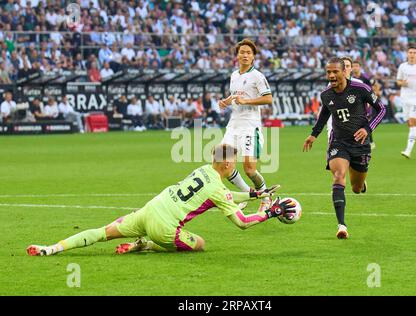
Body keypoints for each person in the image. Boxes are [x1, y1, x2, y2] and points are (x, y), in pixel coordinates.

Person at [27, 144, 289, 256]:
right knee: (200, 244)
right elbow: (242, 222)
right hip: (164, 229)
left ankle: (53, 248)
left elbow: (226, 195)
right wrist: (271, 212)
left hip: (148, 210)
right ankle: (149, 246)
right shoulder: (218, 190)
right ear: (228, 163)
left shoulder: (203, 171)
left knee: (100, 232)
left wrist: (254, 195)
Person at [303, 57, 386, 239]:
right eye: (328, 72)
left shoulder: (360, 89)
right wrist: (313, 135)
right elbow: (324, 115)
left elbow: (381, 109)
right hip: (338, 143)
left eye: (335, 72)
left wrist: (368, 128)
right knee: (338, 176)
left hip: (360, 144)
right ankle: (342, 225)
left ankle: (360, 183)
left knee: (356, 188)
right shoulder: (326, 94)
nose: (331, 75)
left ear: (344, 72)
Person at [218, 38, 273, 212]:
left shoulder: (258, 76)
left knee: (249, 169)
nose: (245, 55)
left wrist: (246, 100)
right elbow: (236, 97)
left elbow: (268, 98)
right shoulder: (234, 75)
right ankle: (248, 193)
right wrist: (227, 101)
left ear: (253, 57)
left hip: (250, 127)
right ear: (237, 55)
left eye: (249, 53)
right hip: (233, 125)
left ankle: (266, 196)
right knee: (222, 163)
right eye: (242, 52)